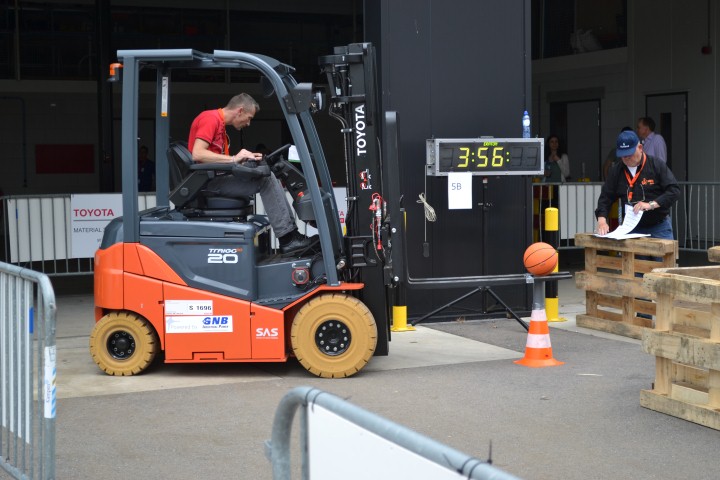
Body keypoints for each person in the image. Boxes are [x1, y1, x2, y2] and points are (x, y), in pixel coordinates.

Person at [188, 93, 311, 254]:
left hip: (214, 178)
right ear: (239, 111)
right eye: (249, 117)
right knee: (265, 180)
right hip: (209, 182)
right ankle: (288, 238)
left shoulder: (220, 125)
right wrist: (234, 159)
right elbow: (197, 154)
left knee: (264, 174)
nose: (248, 123)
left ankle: (291, 234)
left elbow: (219, 160)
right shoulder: (210, 119)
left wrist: (247, 160)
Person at [595, 130, 680, 239]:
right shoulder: (616, 171)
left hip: (659, 226)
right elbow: (606, 197)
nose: (626, 159)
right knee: (635, 256)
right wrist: (602, 220)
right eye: (622, 155)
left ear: (640, 148)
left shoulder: (656, 164)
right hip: (632, 228)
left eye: (629, 155)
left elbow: (674, 191)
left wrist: (651, 205)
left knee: (663, 255)